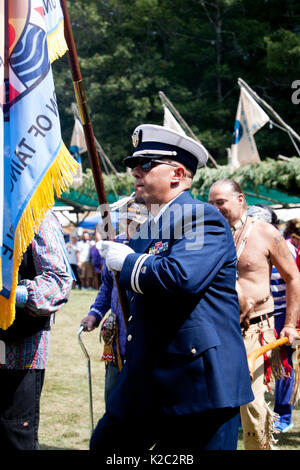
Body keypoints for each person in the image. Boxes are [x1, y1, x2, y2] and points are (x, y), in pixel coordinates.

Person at [90, 124, 254, 455]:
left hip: (196, 385)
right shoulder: (149, 225)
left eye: (147, 164)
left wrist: (128, 262)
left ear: (177, 174)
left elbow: (180, 278)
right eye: (135, 164)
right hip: (147, 377)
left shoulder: (201, 217)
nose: (135, 171)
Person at [208, 180, 300, 449]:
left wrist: (291, 324)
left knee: (253, 406)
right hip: (216, 330)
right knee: (213, 404)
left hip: (255, 331)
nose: (215, 208)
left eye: (221, 202)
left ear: (240, 199)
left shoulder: (265, 233)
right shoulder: (207, 235)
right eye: (211, 203)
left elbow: (293, 278)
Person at [0, 210, 73, 450]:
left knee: (13, 436)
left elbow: (59, 282)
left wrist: (11, 294)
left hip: (18, 352)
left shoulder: (35, 213)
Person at [80, 199, 148, 404]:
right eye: (128, 221)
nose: (132, 227)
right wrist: (95, 314)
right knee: (113, 395)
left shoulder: (154, 246)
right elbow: (107, 287)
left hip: (144, 335)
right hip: (117, 335)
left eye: (137, 223)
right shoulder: (114, 244)